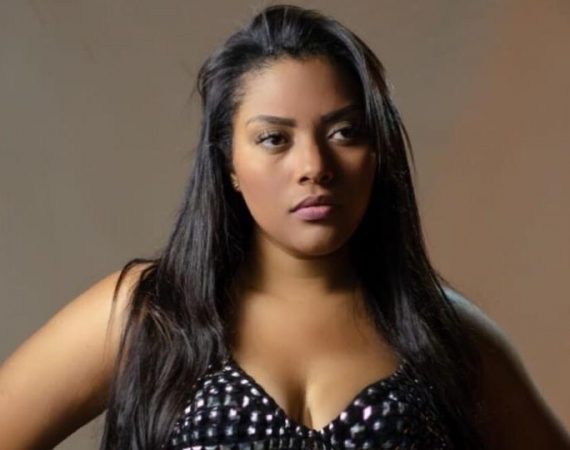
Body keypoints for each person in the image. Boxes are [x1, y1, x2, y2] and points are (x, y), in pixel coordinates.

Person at [1, 4, 569, 450]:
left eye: (345, 133)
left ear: (378, 151)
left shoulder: (445, 332)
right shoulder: (151, 314)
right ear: (228, 163)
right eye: (274, 139)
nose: (314, 166)